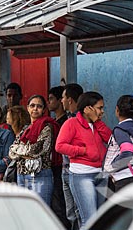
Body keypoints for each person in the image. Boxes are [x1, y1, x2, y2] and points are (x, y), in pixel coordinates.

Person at [56, 91, 112, 227]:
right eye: (99, 108)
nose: (102, 111)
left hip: (100, 174)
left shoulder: (98, 124)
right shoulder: (71, 123)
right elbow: (59, 146)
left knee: (99, 219)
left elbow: (110, 139)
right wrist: (82, 151)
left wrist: (97, 121)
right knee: (89, 219)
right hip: (81, 175)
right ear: (88, 108)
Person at [9, 95, 60, 205]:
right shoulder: (25, 129)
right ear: (27, 108)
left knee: (40, 212)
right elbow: (11, 152)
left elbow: (37, 150)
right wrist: (26, 152)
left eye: (39, 106)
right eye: (32, 106)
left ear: (43, 110)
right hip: (21, 175)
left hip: (40, 174)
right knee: (25, 212)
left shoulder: (47, 127)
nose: (35, 109)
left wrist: (20, 151)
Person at [60, 83, 84, 230]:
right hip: (66, 170)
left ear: (69, 100)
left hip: (76, 171)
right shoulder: (69, 118)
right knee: (71, 213)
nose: (61, 100)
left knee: (78, 211)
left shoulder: (81, 120)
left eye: (63, 97)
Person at [48, 86, 70, 229]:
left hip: (61, 167)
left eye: (51, 99)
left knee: (61, 206)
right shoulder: (54, 121)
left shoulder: (65, 122)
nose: (48, 102)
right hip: (55, 168)